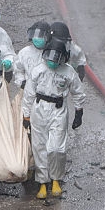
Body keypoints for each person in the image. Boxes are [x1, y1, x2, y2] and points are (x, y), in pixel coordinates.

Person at [22, 38, 85, 200]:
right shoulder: (38, 70)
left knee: (56, 148)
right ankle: (42, 182)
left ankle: (56, 178)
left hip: (58, 109)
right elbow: (29, 93)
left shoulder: (68, 72)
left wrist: (79, 112)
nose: (52, 61)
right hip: (39, 108)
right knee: (40, 146)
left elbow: (78, 92)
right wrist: (26, 115)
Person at [14, 20, 51, 89]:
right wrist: (21, 82)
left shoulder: (52, 53)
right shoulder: (24, 53)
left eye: (40, 36)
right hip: (28, 91)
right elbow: (18, 70)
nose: (37, 38)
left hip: (47, 92)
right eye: (36, 35)